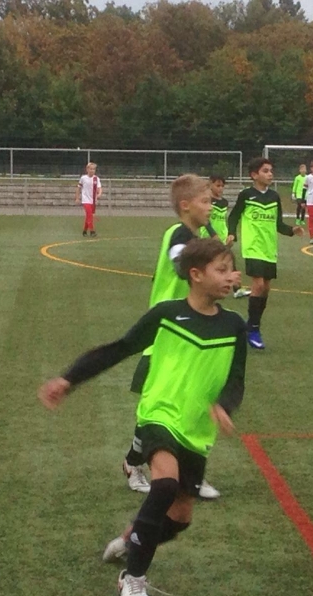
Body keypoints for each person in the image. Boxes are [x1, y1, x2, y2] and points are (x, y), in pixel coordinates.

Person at [39, 238, 247, 596]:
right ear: (196, 275)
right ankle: (132, 578)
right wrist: (69, 380)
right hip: (159, 414)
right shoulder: (167, 314)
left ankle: (131, 538)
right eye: (221, 269)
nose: (231, 277)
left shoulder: (234, 325)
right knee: (164, 484)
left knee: (180, 517)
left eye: (231, 269)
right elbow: (119, 348)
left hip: (196, 429)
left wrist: (225, 406)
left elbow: (236, 379)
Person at [122, 174, 222, 501]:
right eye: (205, 201)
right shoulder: (179, 234)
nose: (211, 206)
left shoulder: (197, 235)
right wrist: (206, 272)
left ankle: (186, 474)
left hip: (189, 335)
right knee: (160, 410)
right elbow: (180, 261)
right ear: (186, 205)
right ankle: (135, 464)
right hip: (168, 334)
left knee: (190, 404)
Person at [226, 156, 304, 350]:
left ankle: (252, 324)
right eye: (265, 171)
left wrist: (291, 230)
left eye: (271, 171)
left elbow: (278, 224)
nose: (270, 174)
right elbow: (234, 216)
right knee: (258, 284)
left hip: (269, 248)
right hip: (253, 246)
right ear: (254, 175)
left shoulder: (274, 197)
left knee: (265, 288)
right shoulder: (246, 195)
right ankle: (253, 329)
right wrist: (231, 233)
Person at [210, 173, 250, 299]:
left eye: (222, 186)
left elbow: (222, 221)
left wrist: (229, 235)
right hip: (209, 238)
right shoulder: (207, 201)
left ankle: (237, 289)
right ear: (210, 185)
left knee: (229, 261)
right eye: (217, 185)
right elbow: (206, 221)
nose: (220, 188)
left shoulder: (224, 202)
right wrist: (212, 234)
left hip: (222, 237)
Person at [75, 162, 102, 237]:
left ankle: (84, 231)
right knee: (90, 215)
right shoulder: (83, 178)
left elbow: (99, 188)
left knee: (88, 216)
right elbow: (78, 188)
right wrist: (77, 198)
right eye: (91, 169)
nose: (92, 170)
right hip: (85, 200)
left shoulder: (96, 179)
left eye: (93, 169)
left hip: (93, 201)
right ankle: (92, 231)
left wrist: (99, 194)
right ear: (87, 169)